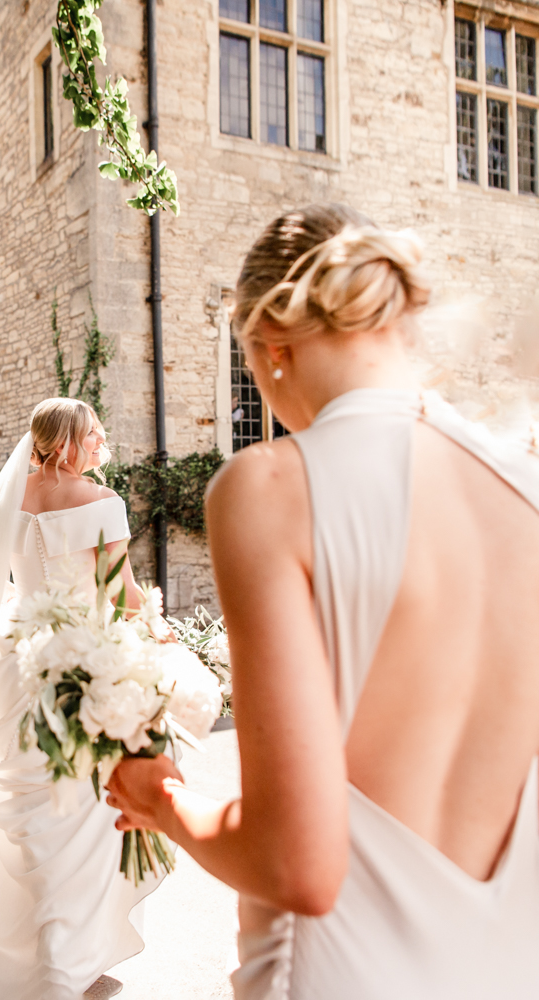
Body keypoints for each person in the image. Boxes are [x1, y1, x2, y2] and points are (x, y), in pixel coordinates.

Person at [107, 204, 539, 999]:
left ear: (272, 350)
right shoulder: (526, 490)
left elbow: (297, 867)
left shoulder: (270, 487)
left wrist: (161, 797)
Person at [0, 397, 161, 1000]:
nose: (103, 444)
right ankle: (64, 954)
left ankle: (37, 944)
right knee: (81, 808)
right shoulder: (102, 503)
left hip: (17, 660)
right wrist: (160, 630)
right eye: (96, 434)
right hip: (80, 664)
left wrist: (13, 598)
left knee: (32, 812)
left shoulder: (6, 495)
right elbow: (121, 593)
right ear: (70, 441)